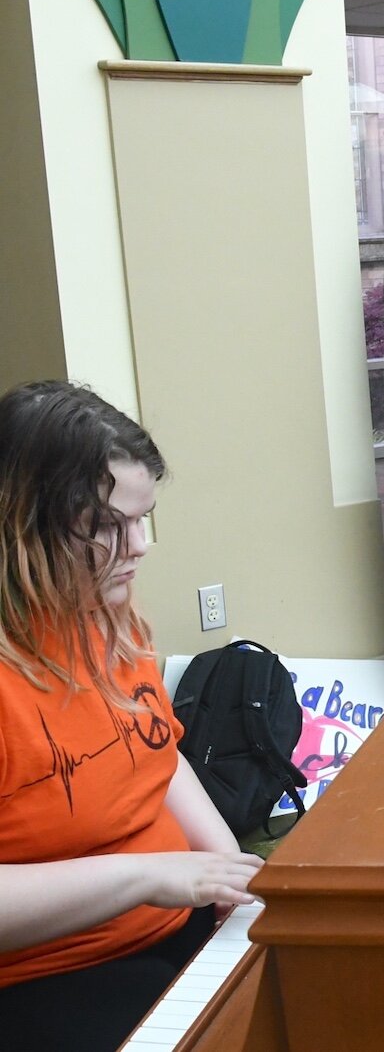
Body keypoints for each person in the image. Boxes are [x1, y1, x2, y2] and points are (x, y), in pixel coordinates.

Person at [0, 381, 264, 1050]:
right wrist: (148, 875)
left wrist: (228, 869)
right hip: (54, 975)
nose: (142, 545)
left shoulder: (107, 616)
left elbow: (157, 751)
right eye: (114, 526)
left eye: (144, 517)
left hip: (175, 922)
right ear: (25, 524)